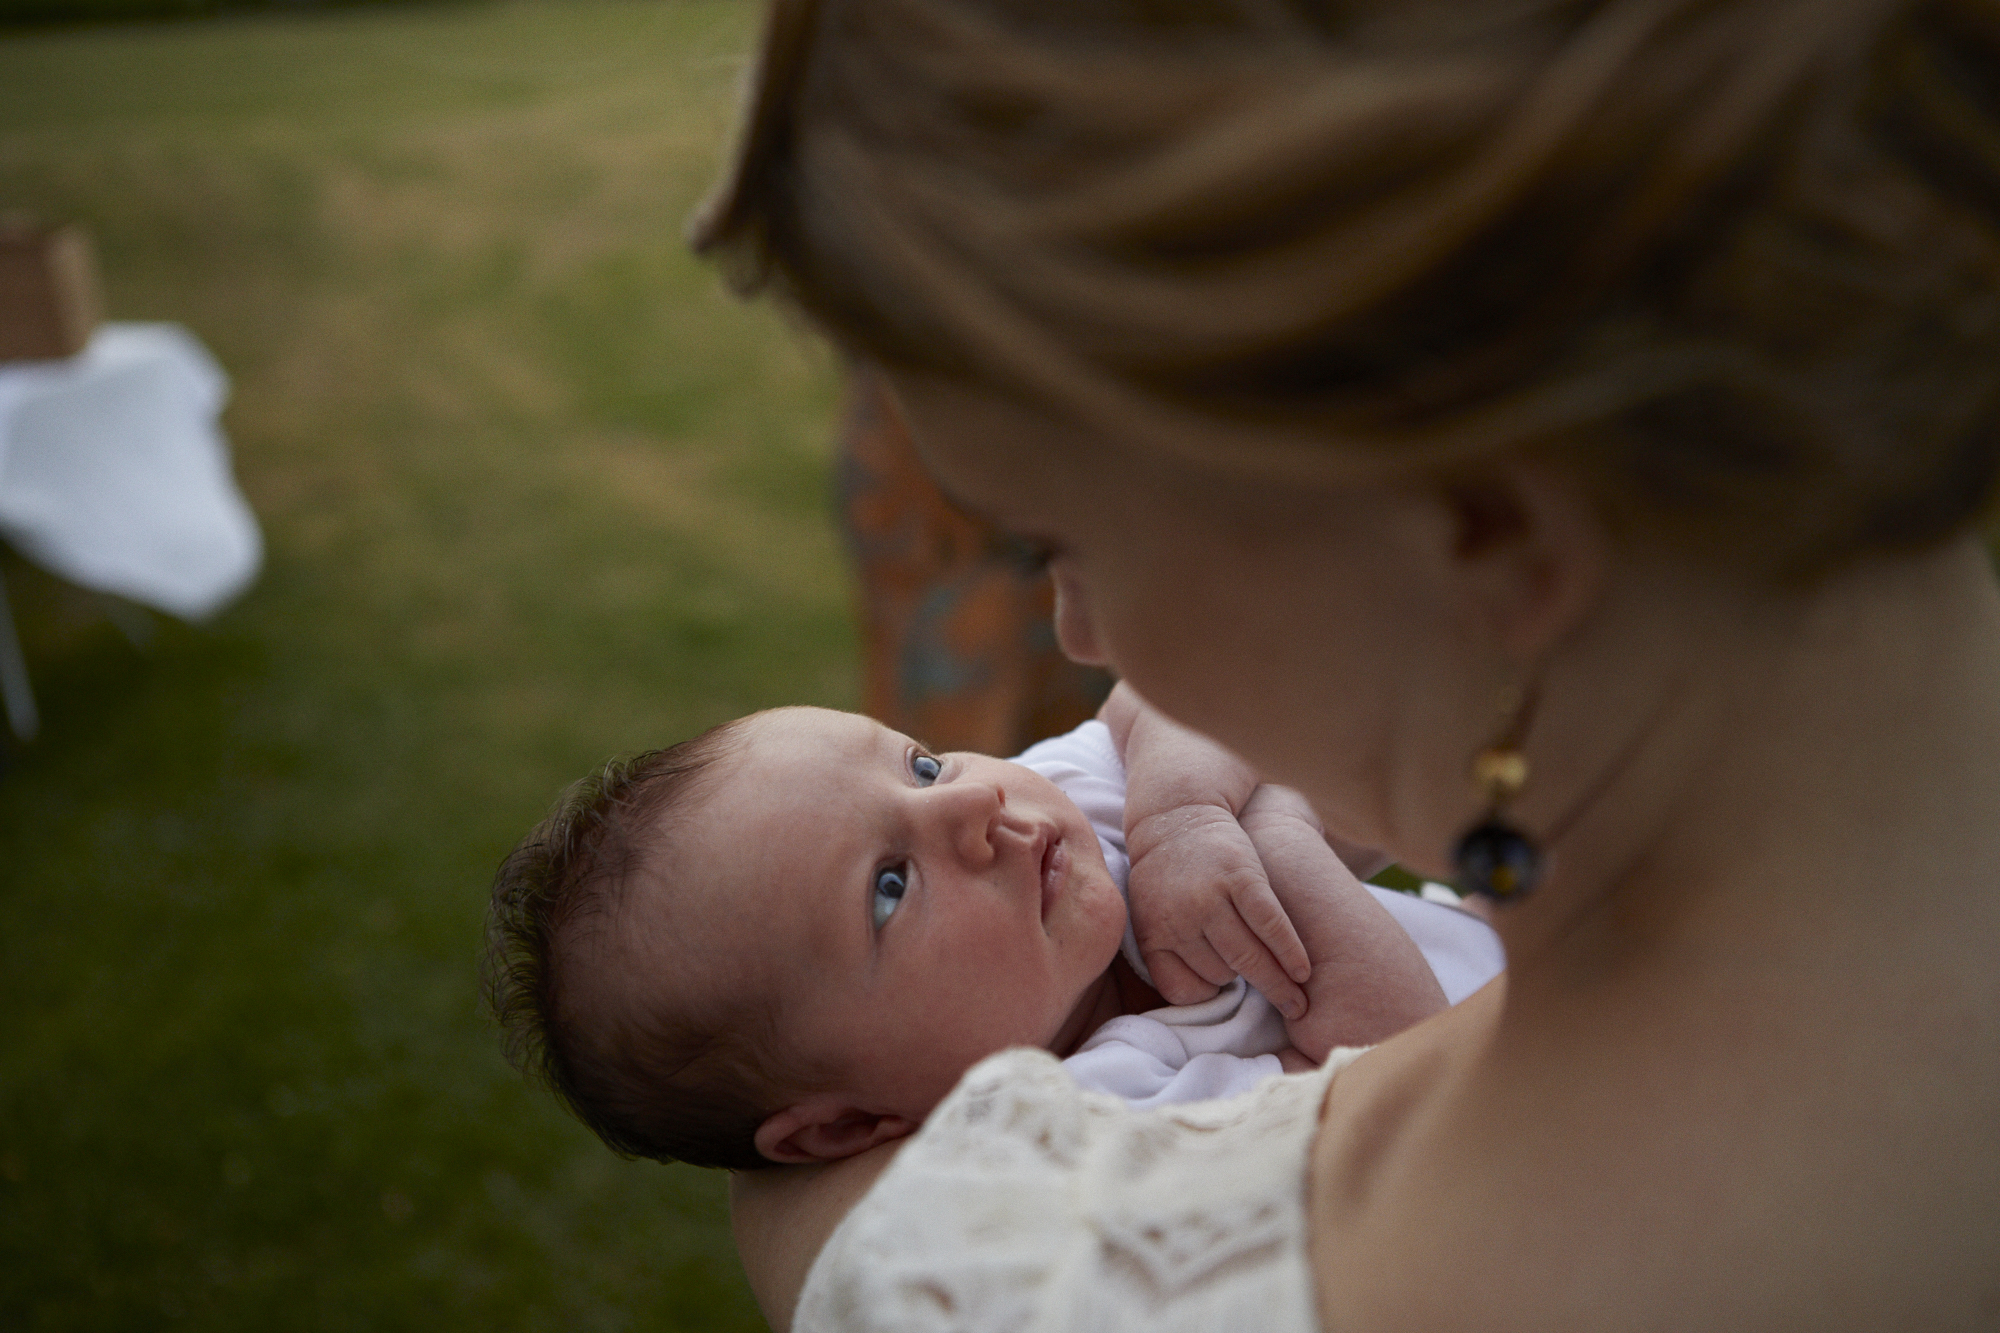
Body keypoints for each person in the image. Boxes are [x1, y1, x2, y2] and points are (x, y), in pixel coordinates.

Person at [690, 0, 2000, 1328]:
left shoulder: (1161, 1272)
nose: (1079, 637)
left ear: (1489, 533)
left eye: (1057, 541)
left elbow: (823, 1215)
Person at [484, 683, 1495, 1170]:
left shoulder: (1067, 820)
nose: (965, 807)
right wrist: (1270, 826)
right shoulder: (1090, 1122)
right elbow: (1415, 1087)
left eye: (919, 763)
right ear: (842, 1125)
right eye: (888, 885)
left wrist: (1181, 802)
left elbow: (1169, 687)